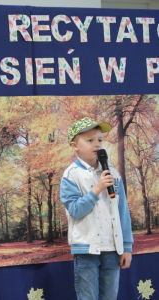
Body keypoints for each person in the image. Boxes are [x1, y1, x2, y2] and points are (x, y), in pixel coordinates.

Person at [60, 117, 134, 300]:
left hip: (112, 249)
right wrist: (97, 189)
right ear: (75, 146)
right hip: (86, 251)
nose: (97, 145)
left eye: (100, 140)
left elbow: (122, 211)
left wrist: (127, 246)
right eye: (90, 140)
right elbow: (76, 210)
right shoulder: (71, 175)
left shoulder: (113, 173)